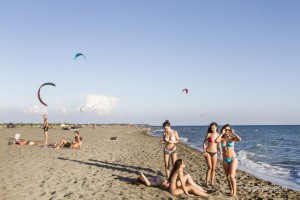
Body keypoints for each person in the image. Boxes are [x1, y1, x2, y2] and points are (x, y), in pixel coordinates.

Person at [215, 124, 241, 196]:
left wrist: (233, 133)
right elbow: (216, 140)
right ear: (223, 130)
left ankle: (234, 193)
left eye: (228, 130)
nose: (227, 131)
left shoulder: (232, 138)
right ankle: (231, 191)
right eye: (225, 129)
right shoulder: (222, 139)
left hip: (233, 158)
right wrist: (222, 133)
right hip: (225, 160)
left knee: (231, 176)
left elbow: (239, 139)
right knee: (228, 177)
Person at [202, 122, 222, 187]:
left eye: (213, 127)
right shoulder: (209, 134)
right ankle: (206, 182)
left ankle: (212, 182)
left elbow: (219, 145)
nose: (212, 128)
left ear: (216, 127)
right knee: (210, 167)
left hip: (215, 153)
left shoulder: (218, 135)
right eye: (211, 128)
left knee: (213, 168)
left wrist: (221, 153)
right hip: (208, 152)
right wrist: (204, 150)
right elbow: (204, 143)